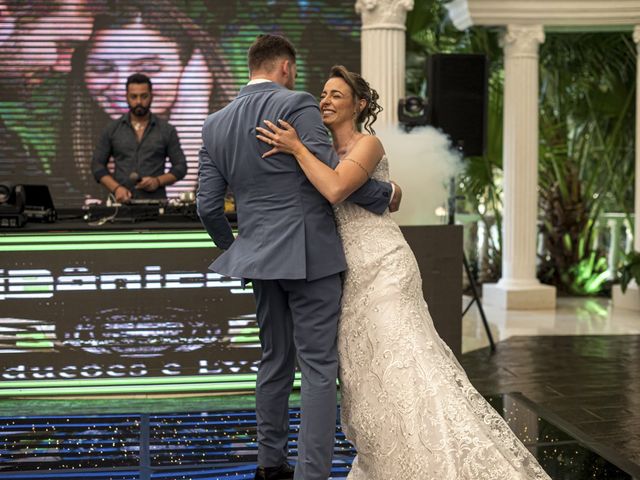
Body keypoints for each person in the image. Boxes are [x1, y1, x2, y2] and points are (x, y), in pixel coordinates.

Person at [255, 66, 552, 480]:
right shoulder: (318, 147)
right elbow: (351, 192)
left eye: (336, 95)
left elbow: (338, 188)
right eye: (323, 93)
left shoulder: (368, 143)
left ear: (359, 105)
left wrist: (298, 150)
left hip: (384, 265)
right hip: (345, 274)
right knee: (367, 374)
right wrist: (385, 191)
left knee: (407, 359)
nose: (325, 100)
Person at [197, 35, 401, 480]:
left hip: (260, 260)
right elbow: (332, 175)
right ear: (286, 67)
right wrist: (387, 193)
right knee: (318, 368)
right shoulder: (296, 104)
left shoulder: (214, 125)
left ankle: (270, 466)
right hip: (309, 256)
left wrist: (239, 251)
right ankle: (311, 474)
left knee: (273, 361)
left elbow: (208, 207)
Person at [60, 1, 234, 204]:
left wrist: (192, 105)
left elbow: (171, 199)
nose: (123, 87)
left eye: (149, 68)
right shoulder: (81, 155)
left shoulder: (235, 151)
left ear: (191, 68)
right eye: (102, 69)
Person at [91, 73, 187, 203]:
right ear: (126, 97)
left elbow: (180, 167)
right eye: (133, 97)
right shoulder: (112, 129)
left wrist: (157, 181)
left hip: (156, 204)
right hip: (121, 203)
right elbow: (97, 166)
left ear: (151, 96)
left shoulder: (166, 130)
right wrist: (117, 188)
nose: (139, 102)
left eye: (144, 96)